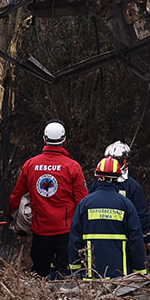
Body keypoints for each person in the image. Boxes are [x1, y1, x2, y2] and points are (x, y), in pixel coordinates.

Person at [9, 119, 88, 279]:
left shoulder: (30, 165)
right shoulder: (73, 167)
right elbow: (82, 201)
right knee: (65, 276)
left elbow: (16, 196)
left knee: (39, 275)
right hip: (66, 232)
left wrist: (12, 216)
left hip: (40, 231)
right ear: (64, 140)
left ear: (44, 139)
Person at [68, 157, 147, 279]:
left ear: (97, 176)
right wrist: (140, 271)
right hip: (120, 278)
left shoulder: (85, 204)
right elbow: (136, 240)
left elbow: (75, 238)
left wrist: (76, 269)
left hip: (90, 276)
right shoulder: (126, 205)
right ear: (118, 178)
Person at [89, 141, 150, 246]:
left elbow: (141, 215)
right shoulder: (97, 185)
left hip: (125, 239)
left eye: (118, 161)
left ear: (126, 161)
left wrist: (146, 238)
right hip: (100, 236)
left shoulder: (133, 187)